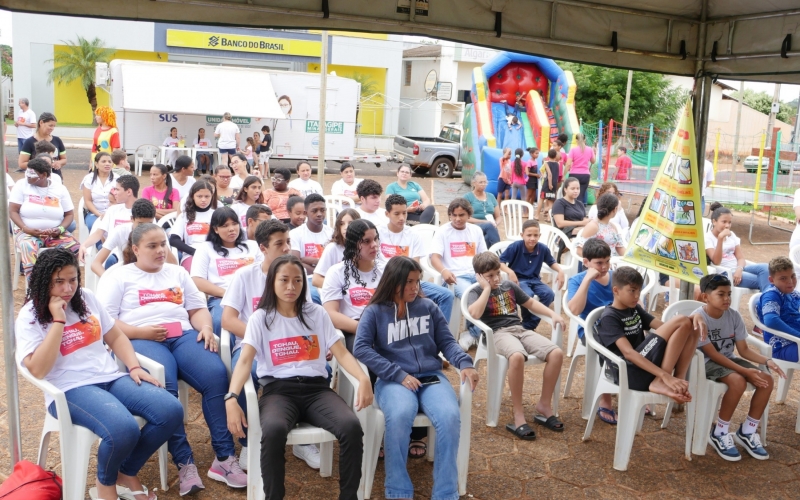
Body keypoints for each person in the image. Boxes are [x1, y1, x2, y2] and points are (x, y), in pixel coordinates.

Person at [17, 248, 182, 500]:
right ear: (43, 281)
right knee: (123, 428)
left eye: (72, 279)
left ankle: (125, 472)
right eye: (58, 282)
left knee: (170, 410)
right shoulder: (30, 316)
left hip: (110, 378)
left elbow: (115, 335)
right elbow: (38, 369)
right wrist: (58, 321)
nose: (67, 288)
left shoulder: (86, 299)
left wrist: (134, 366)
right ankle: (105, 486)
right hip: (69, 390)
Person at [98, 223, 246, 493]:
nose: (160, 251)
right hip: (141, 338)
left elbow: (197, 307)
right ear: (135, 249)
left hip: (183, 335)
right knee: (163, 385)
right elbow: (107, 322)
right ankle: (185, 462)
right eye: (152, 246)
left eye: (163, 244)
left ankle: (224, 458)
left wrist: (205, 328)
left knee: (215, 375)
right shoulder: (118, 276)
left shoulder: (177, 272)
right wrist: (140, 331)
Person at [226, 255, 371, 499]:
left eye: (297, 281)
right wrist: (231, 398)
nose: (291, 287)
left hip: (317, 390)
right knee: (272, 431)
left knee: (351, 427)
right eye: (284, 280)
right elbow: (244, 360)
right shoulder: (260, 318)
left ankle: (349, 496)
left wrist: (363, 378)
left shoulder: (316, 313)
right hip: (278, 392)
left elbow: (342, 353)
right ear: (272, 282)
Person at [354, 256, 479, 500]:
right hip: (393, 380)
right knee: (400, 415)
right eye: (409, 282)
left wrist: (465, 363)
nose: (415, 287)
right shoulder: (375, 311)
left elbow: (446, 342)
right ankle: (398, 491)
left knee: (450, 416)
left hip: (431, 376)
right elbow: (361, 348)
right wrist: (397, 374)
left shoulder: (428, 307)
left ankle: (445, 493)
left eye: (417, 281)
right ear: (393, 282)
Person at [221, 221, 321, 470]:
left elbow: (307, 316)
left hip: (291, 346)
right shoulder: (246, 275)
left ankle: (302, 438)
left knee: (318, 372)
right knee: (248, 378)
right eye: (280, 243)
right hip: (250, 347)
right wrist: (262, 339)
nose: (287, 248)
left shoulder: (297, 276)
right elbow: (228, 320)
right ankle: (248, 444)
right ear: (263, 247)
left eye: (288, 241)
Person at [468, 251, 565, 438]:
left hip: (518, 329)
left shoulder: (508, 285)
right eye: (490, 276)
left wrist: (553, 314)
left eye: (497, 273)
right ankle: (518, 414)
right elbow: (475, 314)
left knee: (556, 353)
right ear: (479, 276)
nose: (496, 278)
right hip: (496, 333)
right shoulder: (476, 291)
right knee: (517, 356)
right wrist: (486, 288)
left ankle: (544, 404)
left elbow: (530, 304)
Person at [695, 273, 784, 461]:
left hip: (728, 359)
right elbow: (712, 354)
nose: (727, 299)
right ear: (705, 296)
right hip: (704, 363)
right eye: (721, 294)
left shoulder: (733, 316)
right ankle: (719, 432)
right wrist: (744, 371)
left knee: (766, 379)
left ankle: (747, 431)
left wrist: (766, 361)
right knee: (737, 381)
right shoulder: (699, 318)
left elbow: (743, 350)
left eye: (729, 294)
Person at [596, 266, 705, 408]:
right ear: (616, 290)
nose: (637, 296)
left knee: (692, 326)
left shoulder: (634, 309)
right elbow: (628, 354)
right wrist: (664, 375)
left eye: (639, 291)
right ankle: (664, 379)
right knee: (682, 320)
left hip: (648, 368)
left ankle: (678, 379)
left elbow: (667, 327)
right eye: (632, 290)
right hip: (629, 373)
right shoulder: (609, 317)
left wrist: (694, 317)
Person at [379, 194, 455, 322]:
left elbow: (415, 265)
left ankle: (440, 336)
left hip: (410, 281)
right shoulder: (378, 233)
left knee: (446, 295)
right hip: (386, 281)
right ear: (387, 214)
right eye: (396, 214)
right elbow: (375, 264)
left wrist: (409, 282)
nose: (402, 218)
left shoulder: (413, 235)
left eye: (404, 213)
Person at [566, 238, 615, 423]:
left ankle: (634, 385)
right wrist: (587, 279)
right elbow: (575, 310)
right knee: (608, 345)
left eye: (607, 261)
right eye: (599, 263)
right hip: (591, 330)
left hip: (617, 327)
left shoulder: (616, 277)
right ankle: (606, 397)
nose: (604, 267)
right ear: (586, 262)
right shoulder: (577, 280)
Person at [191, 206, 260, 336]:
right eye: (225, 225)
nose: (231, 229)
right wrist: (229, 294)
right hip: (221, 299)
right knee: (219, 322)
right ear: (215, 229)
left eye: (234, 224)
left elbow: (264, 274)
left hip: (253, 296)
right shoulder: (205, 248)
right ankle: (229, 354)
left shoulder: (253, 246)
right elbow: (197, 280)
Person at [430, 198, 488, 351]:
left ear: (469, 215)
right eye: (453, 215)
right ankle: (474, 334)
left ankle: (472, 333)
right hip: (455, 277)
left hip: (476, 274)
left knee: (492, 293)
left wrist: (487, 275)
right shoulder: (443, 231)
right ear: (449, 215)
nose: (457, 219)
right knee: (472, 296)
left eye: (461, 215)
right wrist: (443, 271)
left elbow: (483, 255)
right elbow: (434, 256)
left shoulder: (476, 230)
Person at [9, 158, 79, 279]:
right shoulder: (21, 185)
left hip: (55, 234)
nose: (28, 176)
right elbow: (13, 211)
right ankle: (35, 289)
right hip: (28, 233)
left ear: (44, 175)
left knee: (76, 249)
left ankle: (61, 281)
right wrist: (26, 229)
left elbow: (69, 214)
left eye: (32, 174)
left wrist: (60, 229)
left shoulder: (59, 189)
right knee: (28, 247)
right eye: (27, 172)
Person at [321, 219, 384, 352]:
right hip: (355, 329)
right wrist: (366, 328)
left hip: (386, 325)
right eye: (367, 241)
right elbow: (331, 314)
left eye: (376, 239)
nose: (374, 245)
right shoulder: (336, 272)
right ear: (353, 244)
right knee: (370, 350)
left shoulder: (385, 270)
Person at [499, 220, 565, 330]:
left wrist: (560, 271)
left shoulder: (542, 248)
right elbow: (500, 262)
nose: (532, 238)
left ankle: (528, 325)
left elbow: (551, 262)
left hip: (535, 280)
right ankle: (528, 325)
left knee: (549, 294)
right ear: (522, 235)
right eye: (529, 235)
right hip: (519, 280)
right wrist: (510, 271)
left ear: (540, 235)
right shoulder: (515, 246)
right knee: (527, 295)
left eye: (535, 235)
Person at [92, 198, 178, 275]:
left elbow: (173, 265)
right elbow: (96, 264)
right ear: (132, 219)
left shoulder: (158, 233)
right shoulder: (120, 231)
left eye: (149, 224)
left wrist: (160, 243)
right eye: (140, 224)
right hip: (127, 275)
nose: (145, 229)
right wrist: (109, 281)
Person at [705, 202, 771, 293]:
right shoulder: (708, 238)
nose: (727, 225)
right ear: (714, 221)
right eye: (724, 222)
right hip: (725, 273)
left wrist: (739, 269)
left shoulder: (731, 235)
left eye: (729, 222)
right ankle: (767, 302)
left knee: (766, 268)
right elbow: (716, 262)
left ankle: (766, 301)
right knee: (764, 280)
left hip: (738, 269)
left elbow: (740, 258)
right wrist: (720, 239)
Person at [78, 175, 141, 262]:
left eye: (117, 189)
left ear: (129, 192)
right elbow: (99, 233)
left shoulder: (143, 210)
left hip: (137, 255)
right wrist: (84, 245)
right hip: (113, 254)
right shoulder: (113, 210)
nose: (114, 192)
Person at [290, 193, 332, 303]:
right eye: (314, 211)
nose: (319, 214)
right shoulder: (295, 234)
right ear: (306, 213)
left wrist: (310, 260)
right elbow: (296, 263)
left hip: (328, 278)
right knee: (314, 296)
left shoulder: (332, 234)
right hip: (306, 278)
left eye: (322, 210)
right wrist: (320, 269)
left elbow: (334, 263)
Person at [758, 257, 800, 364]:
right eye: (783, 278)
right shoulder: (772, 294)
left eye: (793, 276)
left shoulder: (791, 292)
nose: (790, 282)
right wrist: (798, 335)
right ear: (771, 280)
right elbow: (771, 320)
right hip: (782, 346)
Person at [170, 180, 218, 272]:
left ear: (212, 197)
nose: (203, 199)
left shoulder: (216, 215)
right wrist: (195, 252)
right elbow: (174, 240)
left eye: (207, 196)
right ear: (193, 196)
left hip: (214, 254)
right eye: (199, 196)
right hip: (191, 254)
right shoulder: (184, 216)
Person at [312, 208, 360, 288]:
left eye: (350, 223)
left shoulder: (366, 247)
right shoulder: (332, 248)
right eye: (342, 224)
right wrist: (344, 289)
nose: (346, 227)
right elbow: (316, 280)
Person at [575, 192, 626, 257]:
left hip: (611, 263)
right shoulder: (593, 226)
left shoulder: (613, 227)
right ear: (615, 209)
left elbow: (620, 248)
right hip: (597, 264)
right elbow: (579, 250)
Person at [463, 171, 501, 248]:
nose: (483, 184)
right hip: (473, 226)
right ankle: (498, 251)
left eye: (485, 182)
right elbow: (465, 218)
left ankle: (487, 254)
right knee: (489, 226)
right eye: (481, 182)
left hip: (490, 227)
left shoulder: (491, 196)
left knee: (487, 238)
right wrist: (484, 222)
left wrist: (495, 223)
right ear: (474, 183)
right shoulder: (467, 197)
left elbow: (498, 216)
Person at [82, 152, 116, 231]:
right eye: (103, 161)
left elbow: (120, 200)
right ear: (96, 164)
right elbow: (88, 201)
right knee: (95, 226)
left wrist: (108, 214)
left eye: (109, 162)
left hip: (113, 213)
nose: (107, 164)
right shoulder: (88, 179)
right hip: (94, 213)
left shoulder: (118, 179)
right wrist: (99, 215)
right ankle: (100, 244)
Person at [552, 177, 589, 242]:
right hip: (564, 236)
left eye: (578, 188)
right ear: (565, 189)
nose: (576, 191)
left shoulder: (580, 204)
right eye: (572, 188)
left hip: (579, 233)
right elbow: (560, 223)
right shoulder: (559, 203)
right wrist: (581, 223)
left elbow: (584, 219)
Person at [564, 133, 595, 204]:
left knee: (571, 194)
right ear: (585, 139)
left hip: (574, 174)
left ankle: (571, 211)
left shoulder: (573, 150)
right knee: (581, 195)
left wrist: (564, 174)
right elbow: (593, 161)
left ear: (576, 140)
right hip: (585, 174)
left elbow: (568, 164)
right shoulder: (589, 149)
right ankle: (579, 212)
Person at [540, 149, 559, 220]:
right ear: (556, 156)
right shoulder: (557, 164)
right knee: (551, 200)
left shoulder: (546, 163)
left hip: (547, 184)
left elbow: (549, 174)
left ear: (548, 155)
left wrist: (549, 184)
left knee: (542, 199)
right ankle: (549, 217)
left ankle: (542, 211)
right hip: (554, 184)